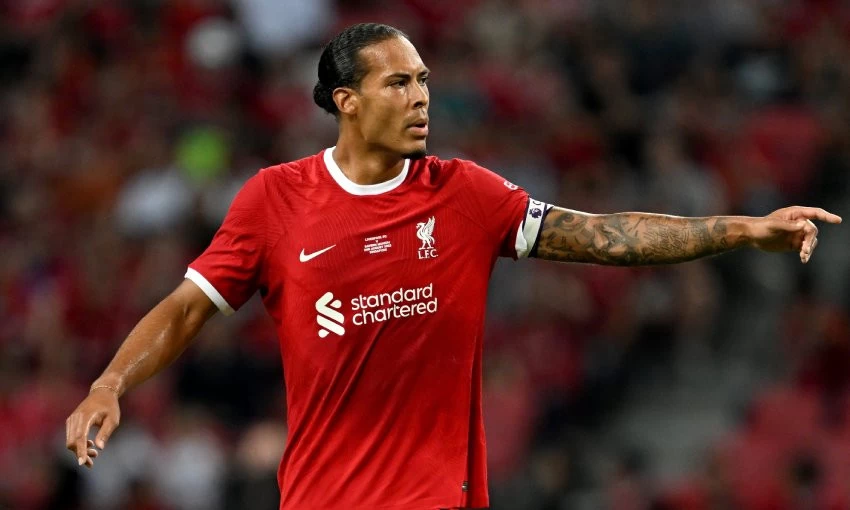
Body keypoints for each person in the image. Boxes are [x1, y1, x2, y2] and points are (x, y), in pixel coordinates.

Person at [65, 23, 842, 510]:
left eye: (424, 81)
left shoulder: (465, 195)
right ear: (347, 101)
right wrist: (110, 383)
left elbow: (605, 235)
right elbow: (189, 306)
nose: (420, 98)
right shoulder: (276, 199)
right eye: (398, 82)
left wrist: (741, 229)